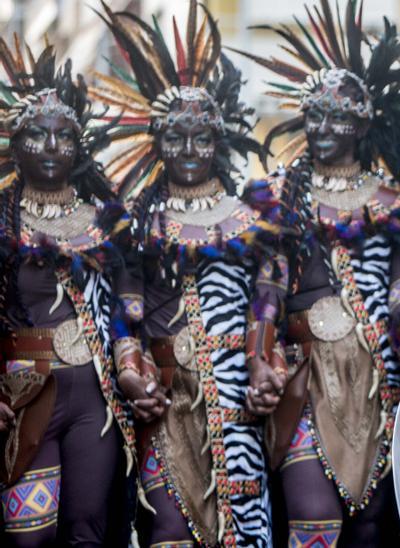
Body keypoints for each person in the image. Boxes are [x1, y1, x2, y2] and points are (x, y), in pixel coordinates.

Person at [234, 1, 400, 544]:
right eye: (316, 113)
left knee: (372, 524)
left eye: (340, 114)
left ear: (364, 120)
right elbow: (266, 293)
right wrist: (260, 362)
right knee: (314, 516)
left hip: (380, 380)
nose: (325, 126)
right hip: (304, 376)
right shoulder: (275, 196)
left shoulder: (398, 203)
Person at [95, 1, 284, 544]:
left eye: (201, 136)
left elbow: (266, 299)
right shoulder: (136, 226)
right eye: (175, 136)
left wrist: (263, 362)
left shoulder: (253, 222)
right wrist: (132, 372)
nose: (189, 149)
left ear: (219, 140)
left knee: (242, 531)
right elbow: (126, 313)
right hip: (166, 399)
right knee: (168, 533)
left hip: (236, 399)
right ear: (156, 140)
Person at [0, 38, 134, 547]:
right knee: (28, 537)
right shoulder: (1, 219)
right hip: (25, 396)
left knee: (87, 532)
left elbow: (125, 306)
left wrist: (129, 360)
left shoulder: (106, 222)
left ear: (79, 150)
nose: (52, 146)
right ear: (16, 146)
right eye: (38, 135)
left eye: (63, 136)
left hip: (93, 402)